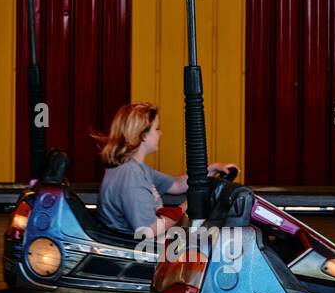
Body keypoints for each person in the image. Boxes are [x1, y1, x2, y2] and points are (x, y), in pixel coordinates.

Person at [94, 101, 234, 238]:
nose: (160, 133)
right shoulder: (130, 176)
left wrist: (213, 168)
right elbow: (148, 230)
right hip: (135, 250)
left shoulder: (136, 168)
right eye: (157, 128)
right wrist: (185, 207)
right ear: (142, 135)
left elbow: (177, 184)